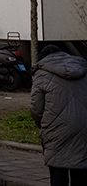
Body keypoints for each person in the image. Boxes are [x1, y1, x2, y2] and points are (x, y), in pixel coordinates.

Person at [30, 44, 87, 186]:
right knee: (80, 169)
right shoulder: (83, 69)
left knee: (57, 173)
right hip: (83, 128)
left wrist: (42, 125)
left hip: (55, 130)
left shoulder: (41, 73)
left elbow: (36, 108)